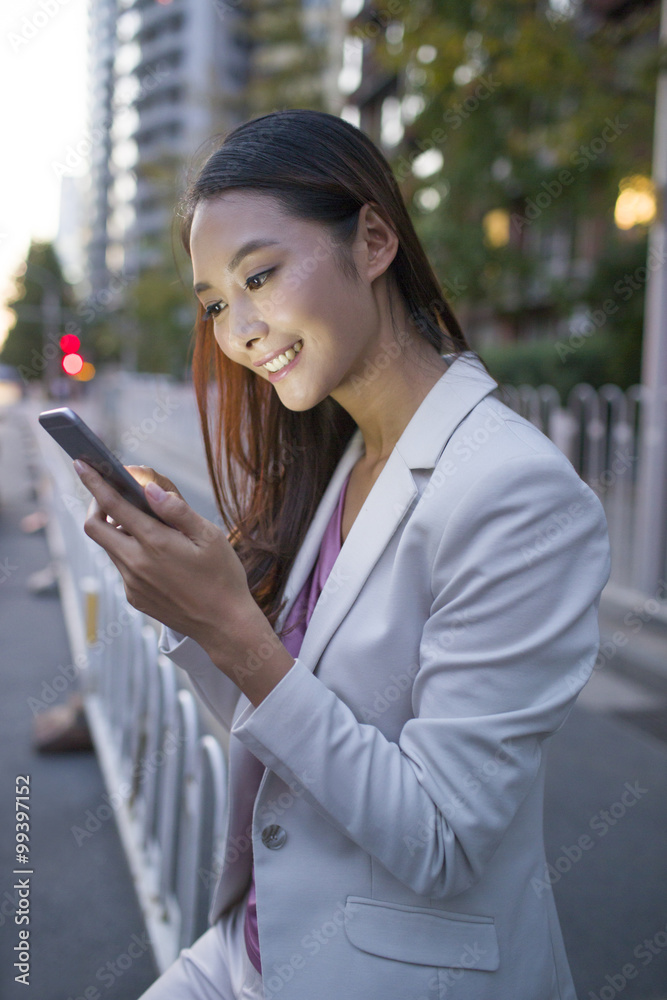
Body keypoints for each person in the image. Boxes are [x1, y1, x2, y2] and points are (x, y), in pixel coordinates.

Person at [75, 109, 611, 1000]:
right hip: (251, 950)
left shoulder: (515, 492)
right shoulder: (344, 461)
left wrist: (235, 632)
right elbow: (289, 728)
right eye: (213, 303)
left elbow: (442, 839)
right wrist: (196, 617)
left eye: (260, 275)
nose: (238, 329)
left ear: (372, 240)